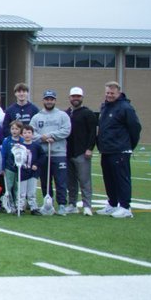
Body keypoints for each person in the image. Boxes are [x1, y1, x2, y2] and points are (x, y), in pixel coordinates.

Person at [98, 81, 142, 219]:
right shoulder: (105, 106)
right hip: (106, 150)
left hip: (120, 150)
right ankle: (112, 204)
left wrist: (128, 145)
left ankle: (125, 207)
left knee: (121, 179)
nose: (109, 95)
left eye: (112, 93)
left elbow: (135, 128)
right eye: (107, 93)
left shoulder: (125, 107)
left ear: (118, 93)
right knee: (109, 179)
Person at [30, 90, 72, 214]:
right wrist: (42, 138)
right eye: (47, 99)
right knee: (45, 181)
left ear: (55, 100)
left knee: (60, 181)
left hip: (59, 153)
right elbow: (31, 133)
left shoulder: (62, 115)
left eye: (51, 99)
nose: (49, 101)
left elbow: (66, 130)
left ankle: (62, 205)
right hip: (43, 154)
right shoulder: (37, 117)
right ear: (43, 100)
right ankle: (47, 204)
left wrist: (51, 135)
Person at [66, 87, 99, 216]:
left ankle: (87, 206)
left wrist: (90, 148)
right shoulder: (66, 113)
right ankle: (72, 204)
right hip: (68, 152)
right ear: (69, 98)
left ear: (82, 98)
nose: (75, 99)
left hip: (82, 152)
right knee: (71, 181)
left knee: (84, 181)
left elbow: (93, 133)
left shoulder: (88, 113)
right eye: (73, 96)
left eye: (78, 96)